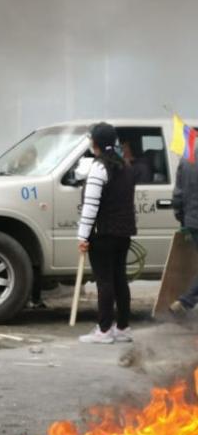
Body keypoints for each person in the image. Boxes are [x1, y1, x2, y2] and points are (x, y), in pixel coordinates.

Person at [78, 122, 136, 344]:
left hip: (102, 233)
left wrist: (83, 236)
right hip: (124, 234)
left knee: (105, 281)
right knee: (120, 279)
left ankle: (104, 330)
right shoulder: (127, 167)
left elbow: (90, 206)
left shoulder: (98, 168)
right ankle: (122, 327)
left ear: (95, 143)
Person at [169, 150, 198, 316]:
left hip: (193, 221)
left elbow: (178, 194)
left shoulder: (187, 157)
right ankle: (186, 301)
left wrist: (183, 218)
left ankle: (186, 301)